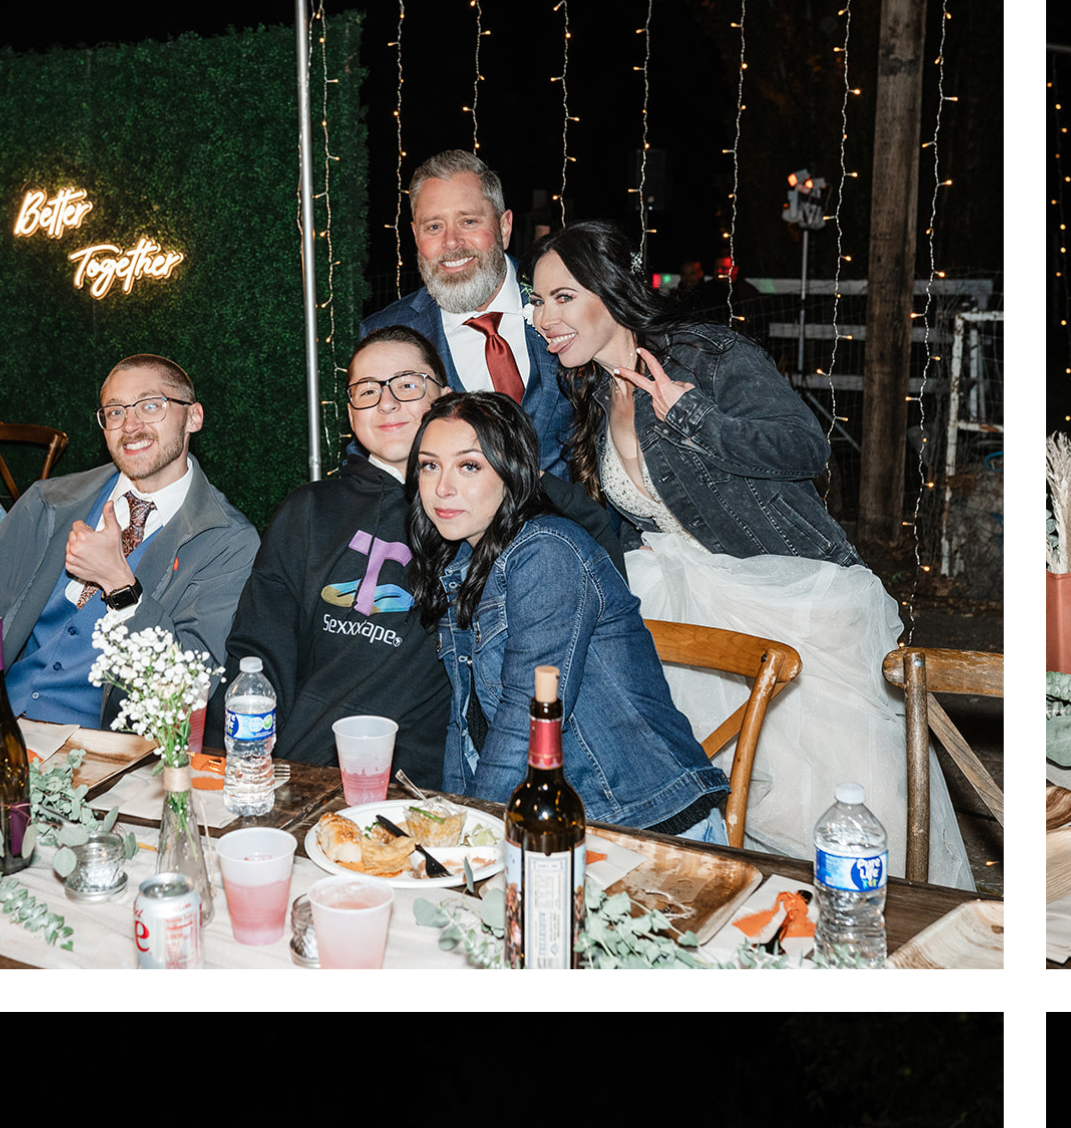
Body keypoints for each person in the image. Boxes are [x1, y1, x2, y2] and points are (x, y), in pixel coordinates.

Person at [405, 391, 731, 842]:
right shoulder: (461, 564)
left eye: (469, 466)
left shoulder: (546, 551)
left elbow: (530, 711)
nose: (442, 488)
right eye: (429, 465)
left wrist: (472, 827)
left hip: (643, 823)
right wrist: (452, 823)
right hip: (557, 822)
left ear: (512, 471)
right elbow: (466, 725)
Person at [0, 357, 258, 711]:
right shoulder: (49, 502)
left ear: (193, 417)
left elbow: (189, 689)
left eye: (151, 406)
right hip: (2, 725)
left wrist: (120, 586)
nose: (131, 425)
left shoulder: (226, 542)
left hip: (111, 752)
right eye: (115, 412)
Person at [221, 326, 457, 789]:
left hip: (415, 786)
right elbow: (260, 649)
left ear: (445, 399)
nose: (386, 403)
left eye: (407, 384)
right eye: (367, 391)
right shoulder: (309, 510)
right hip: (296, 768)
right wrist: (259, 766)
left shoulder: (471, 512)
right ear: (351, 414)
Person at [365, 149, 575, 471]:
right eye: (434, 227)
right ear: (415, 236)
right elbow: (371, 467)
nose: (451, 242)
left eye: (468, 221)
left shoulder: (570, 304)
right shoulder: (383, 336)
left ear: (504, 228)